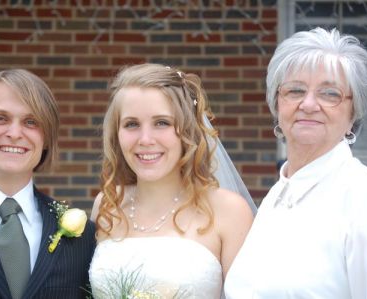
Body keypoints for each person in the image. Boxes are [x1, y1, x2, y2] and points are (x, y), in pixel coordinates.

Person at [224, 27, 367, 298]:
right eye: (295, 90)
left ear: (354, 112)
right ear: (277, 103)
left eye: (330, 93)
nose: (308, 104)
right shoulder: (276, 197)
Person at [88, 63, 255, 298]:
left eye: (162, 123)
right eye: (132, 124)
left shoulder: (229, 210)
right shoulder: (107, 204)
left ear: (187, 130)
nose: (145, 139)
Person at [0, 69, 96, 299]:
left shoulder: (82, 238)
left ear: (46, 138)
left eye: (31, 121)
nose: (15, 133)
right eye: (0, 118)